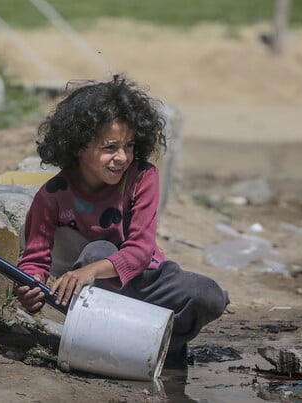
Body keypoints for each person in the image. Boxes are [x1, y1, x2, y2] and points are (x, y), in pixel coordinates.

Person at [15, 74, 229, 367]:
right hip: (92, 297)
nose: (122, 157)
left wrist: (90, 270)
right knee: (99, 251)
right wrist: (31, 288)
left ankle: (165, 342)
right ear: (78, 145)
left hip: (145, 279)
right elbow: (34, 261)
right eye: (109, 147)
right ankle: (113, 343)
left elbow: (141, 251)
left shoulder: (142, 178)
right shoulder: (52, 196)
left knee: (209, 295)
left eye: (128, 146)